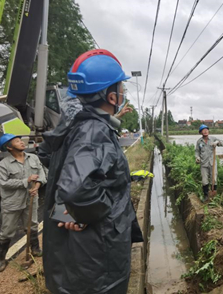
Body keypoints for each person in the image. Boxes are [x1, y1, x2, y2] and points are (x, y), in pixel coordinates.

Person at [41, 49, 142, 294]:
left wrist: (70, 213)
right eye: (121, 87)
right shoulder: (94, 132)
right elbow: (75, 189)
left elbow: (49, 158)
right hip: (98, 259)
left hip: (78, 259)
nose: (123, 92)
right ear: (112, 96)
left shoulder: (74, 124)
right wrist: (83, 213)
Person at [0, 134, 46, 273]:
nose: (21, 143)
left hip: (31, 199)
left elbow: (41, 172)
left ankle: (35, 249)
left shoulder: (33, 158)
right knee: (7, 230)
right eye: (16, 141)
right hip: (12, 203)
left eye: (20, 140)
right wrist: (26, 181)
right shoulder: (2, 165)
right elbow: (4, 183)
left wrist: (37, 185)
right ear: (9, 147)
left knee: (32, 224)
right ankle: (1, 259)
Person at [195, 124, 223, 201]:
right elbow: (197, 151)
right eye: (203, 130)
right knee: (204, 180)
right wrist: (197, 157)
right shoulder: (199, 142)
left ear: (208, 131)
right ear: (201, 132)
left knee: (213, 179)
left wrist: (217, 142)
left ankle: (213, 195)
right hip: (203, 164)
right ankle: (206, 196)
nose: (205, 131)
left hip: (212, 163)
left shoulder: (213, 139)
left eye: (206, 130)